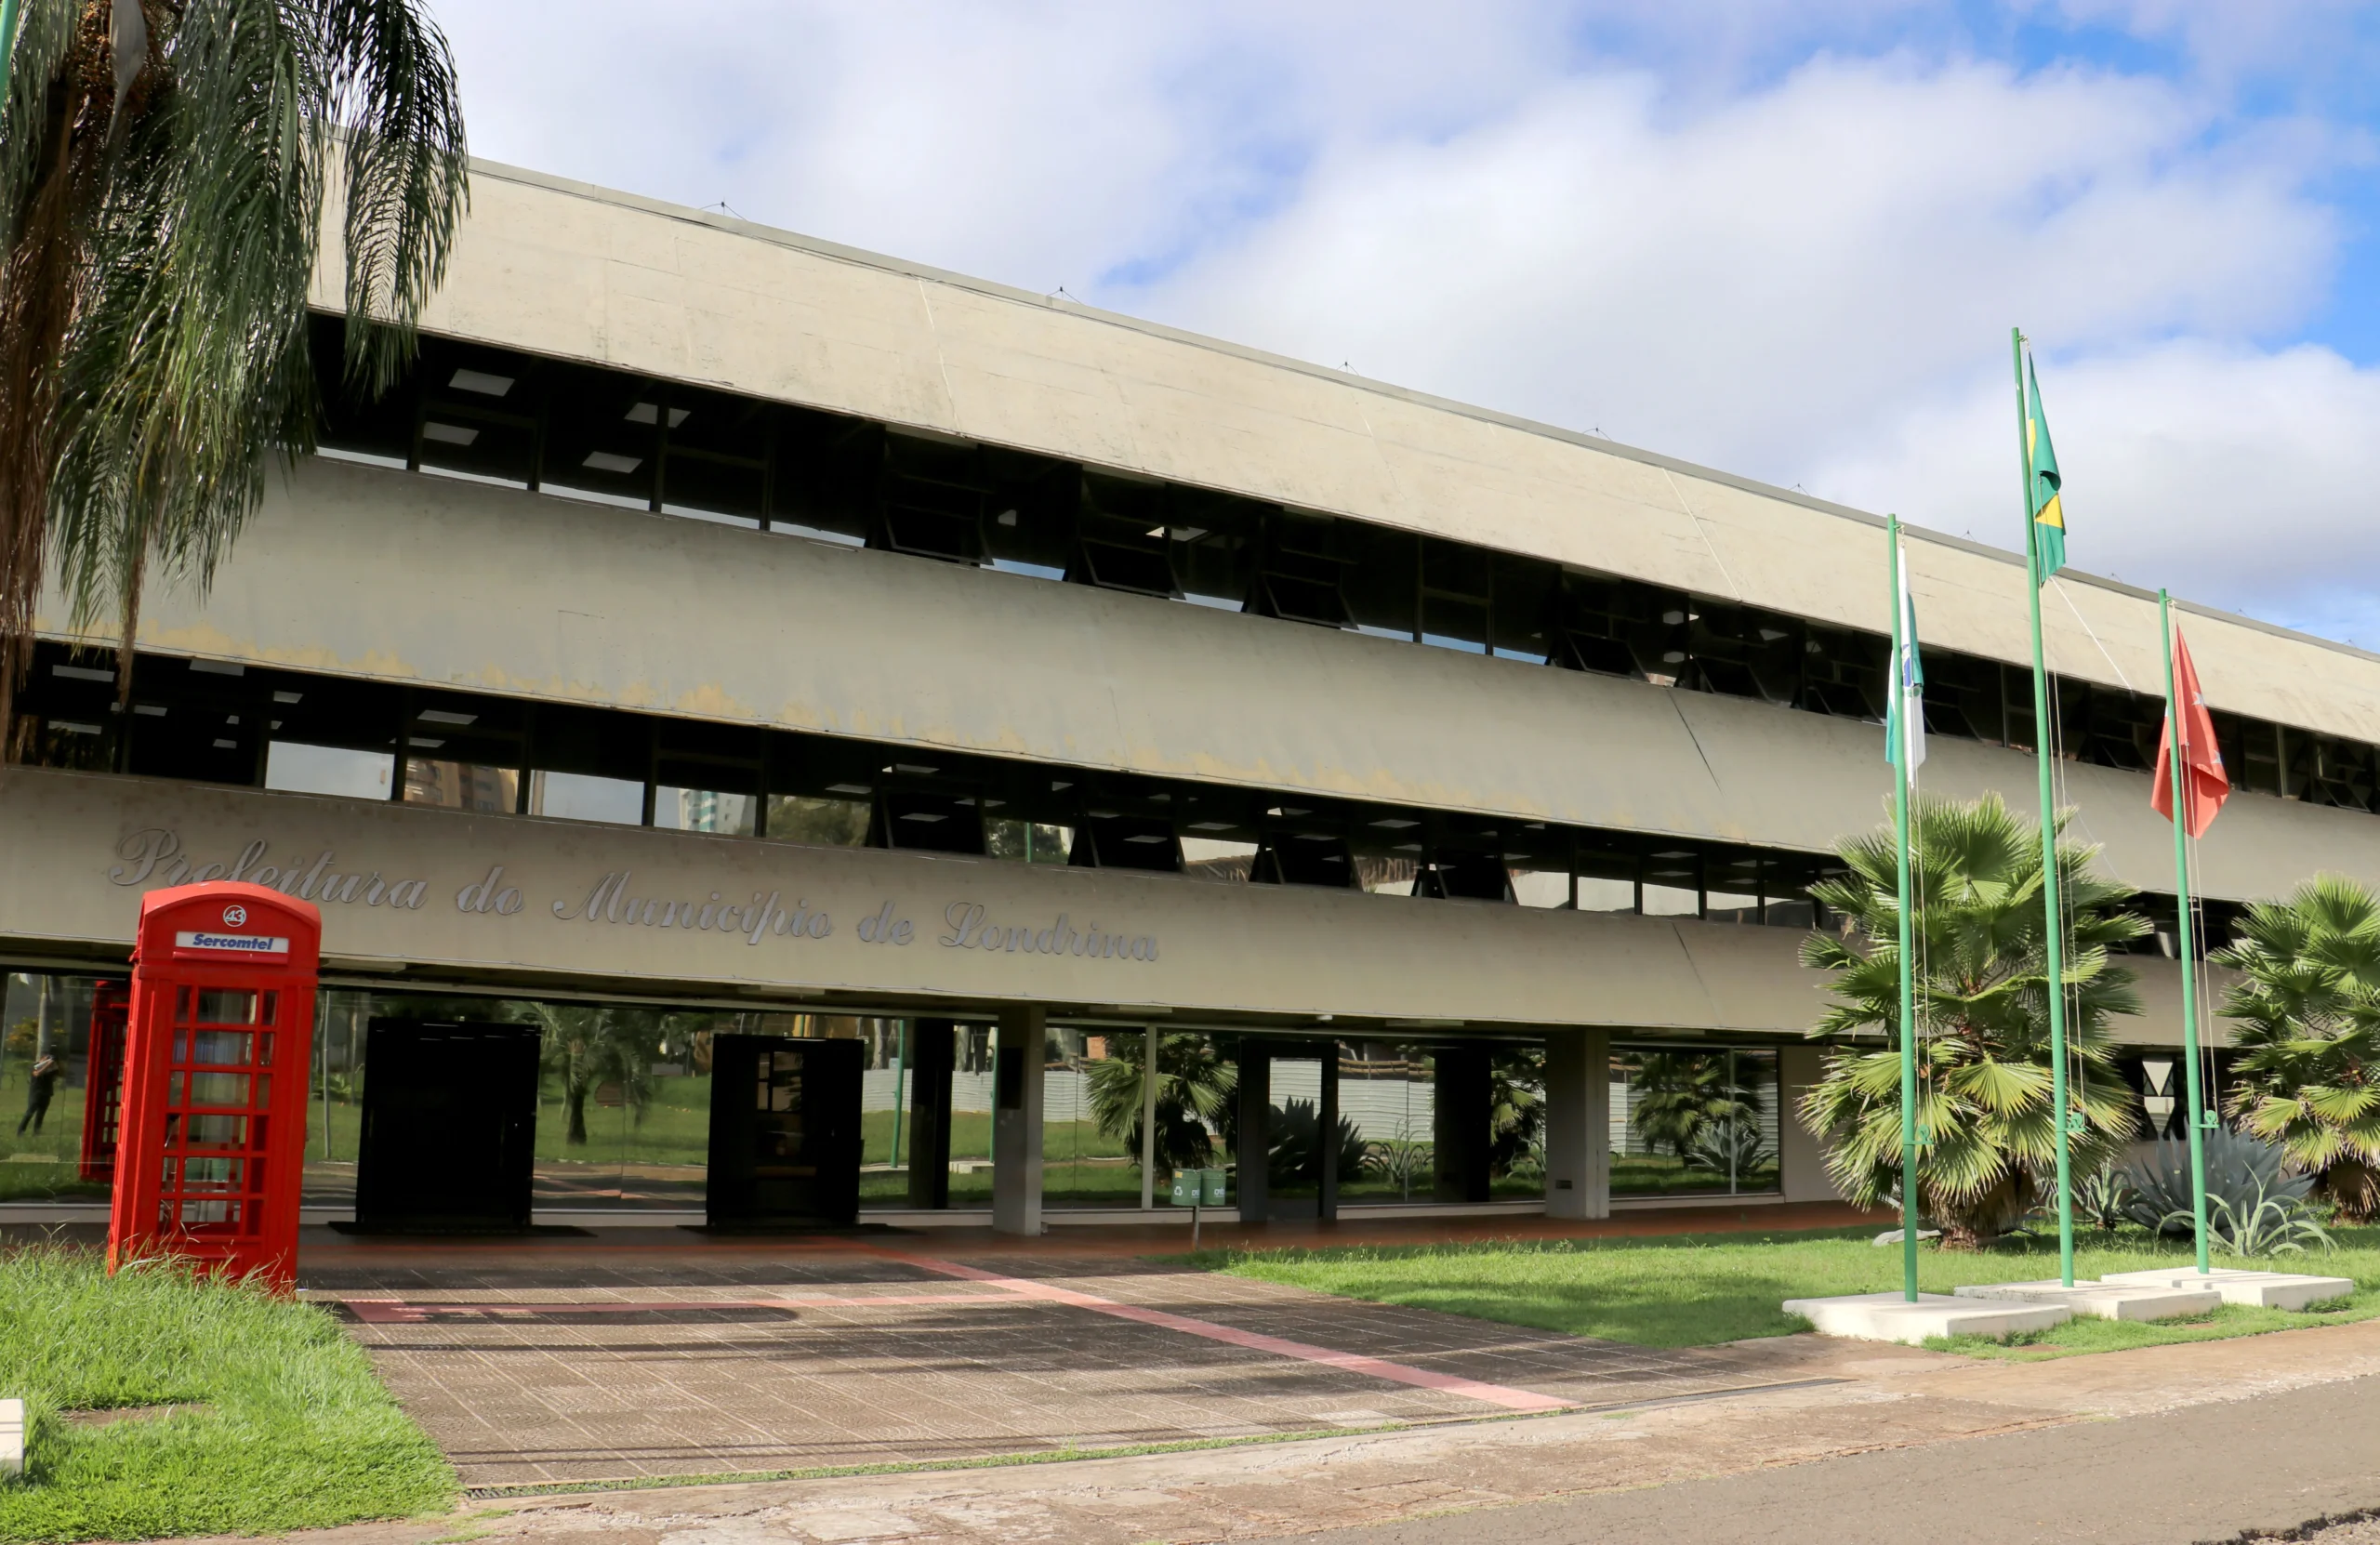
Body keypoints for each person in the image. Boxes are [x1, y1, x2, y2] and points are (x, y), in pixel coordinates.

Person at [18, 1053, 60, 1137]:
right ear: (41, 1059)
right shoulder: (34, 1066)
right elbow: (37, 1074)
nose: (48, 1060)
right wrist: (47, 1064)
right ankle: (20, 1131)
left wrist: (54, 1064)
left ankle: (36, 1133)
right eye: (46, 1058)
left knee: (41, 1115)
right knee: (30, 1113)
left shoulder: (50, 1069)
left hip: (46, 1094)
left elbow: (59, 1074)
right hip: (36, 1094)